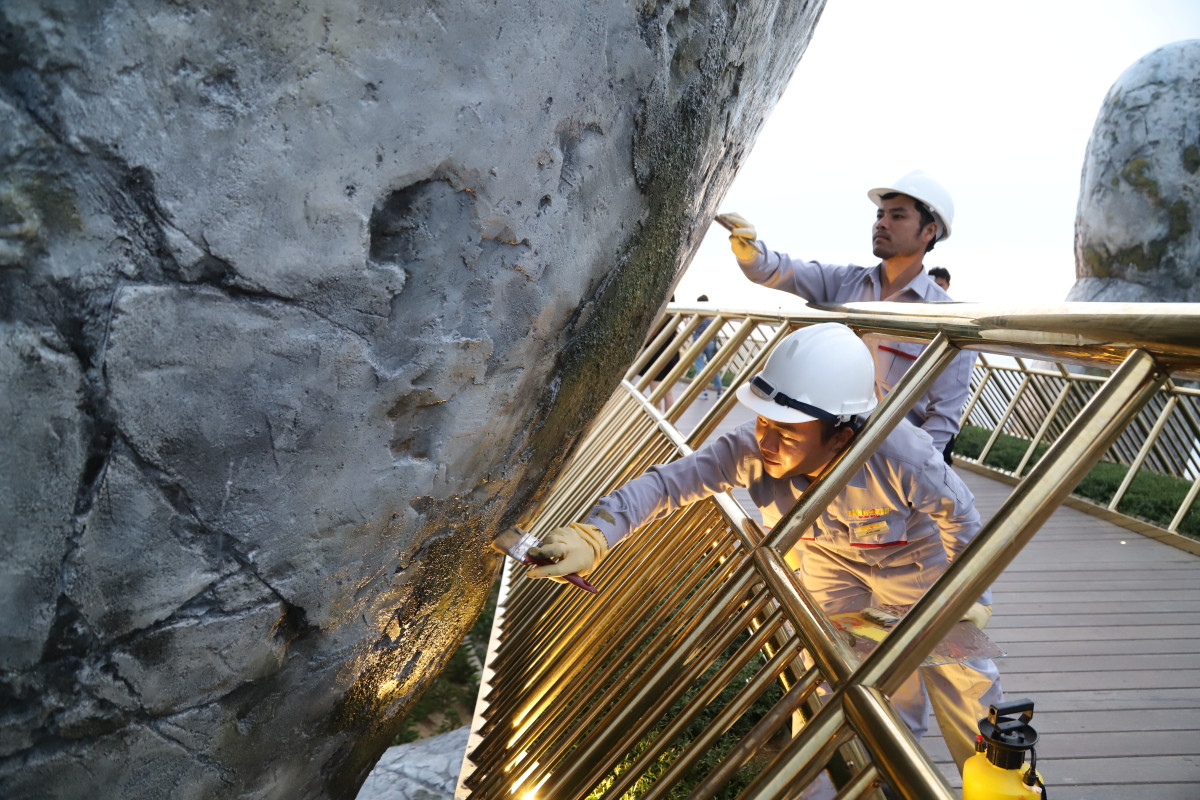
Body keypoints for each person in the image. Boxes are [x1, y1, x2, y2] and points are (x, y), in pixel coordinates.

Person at [527, 323, 1003, 781]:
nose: (767, 442)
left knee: (963, 680)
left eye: (788, 434)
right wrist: (595, 534)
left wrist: (967, 592)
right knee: (832, 678)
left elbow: (960, 515)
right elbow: (666, 485)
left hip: (913, 563)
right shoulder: (750, 449)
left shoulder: (901, 455)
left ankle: (997, 780)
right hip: (827, 566)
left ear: (842, 436)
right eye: (763, 422)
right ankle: (852, 782)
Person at [720, 171, 973, 465]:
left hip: (889, 459)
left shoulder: (947, 317)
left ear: (929, 231)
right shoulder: (845, 283)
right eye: (880, 214)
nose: (881, 223)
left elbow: (942, 418)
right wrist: (751, 252)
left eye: (897, 216)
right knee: (739, 450)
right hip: (830, 446)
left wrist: (915, 472)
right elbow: (775, 270)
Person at [638, 296, 680, 412]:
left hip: (657, 356)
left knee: (655, 396)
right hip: (672, 355)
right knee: (668, 393)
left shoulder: (660, 316)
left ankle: (657, 422)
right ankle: (669, 420)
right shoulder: (676, 315)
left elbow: (649, 337)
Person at [692, 295, 725, 399]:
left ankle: (703, 391)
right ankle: (719, 390)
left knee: (700, 366)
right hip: (710, 342)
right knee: (713, 366)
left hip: (698, 341)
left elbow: (691, 327)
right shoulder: (712, 315)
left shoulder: (697, 313)